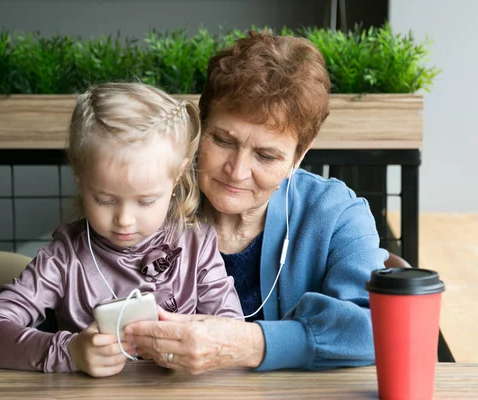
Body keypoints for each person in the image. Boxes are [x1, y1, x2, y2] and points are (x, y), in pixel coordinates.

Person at [124, 30, 389, 373]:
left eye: (266, 156)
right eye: (222, 140)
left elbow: (376, 328)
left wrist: (247, 344)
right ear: (200, 127)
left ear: (298, 157)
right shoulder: (146, 199)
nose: (236, 172)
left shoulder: (337, 213)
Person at [0, 82, 243, 377]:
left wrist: (202, 344)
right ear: (80, 176)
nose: (124, 219)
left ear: (177, 177)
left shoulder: (197, 248)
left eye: (146, 201)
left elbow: (235, 338)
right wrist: (70, 351)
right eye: (105, 200)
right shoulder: (64, 259)